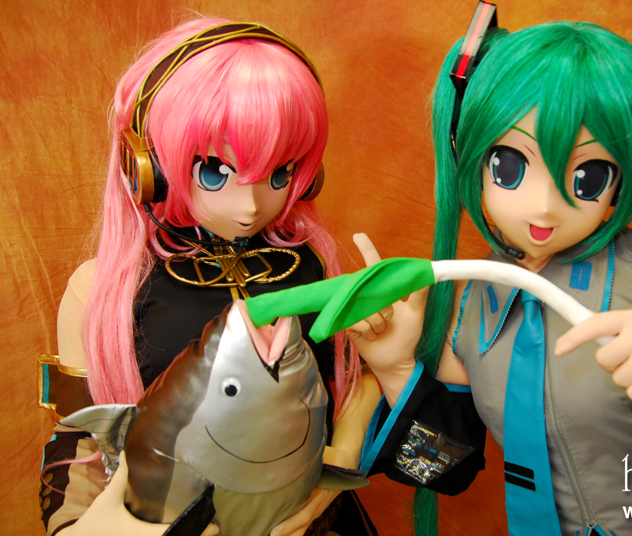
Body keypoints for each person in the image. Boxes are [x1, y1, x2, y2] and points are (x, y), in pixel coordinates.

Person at [348, 9, 632, 536]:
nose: (544, 206)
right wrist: (396, 369)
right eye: (510, 166)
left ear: (622, 179)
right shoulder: (472, 301)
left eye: (587, 176)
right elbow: (448, 468)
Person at [38, 17, 379, 536]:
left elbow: (354, 378)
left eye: (279, 172)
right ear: (147, 166)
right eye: (216, 171)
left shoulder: (311, 264)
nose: (250, 206)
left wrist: (343, 455)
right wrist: (81, 529)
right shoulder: (103, 292)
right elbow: (77, 442)